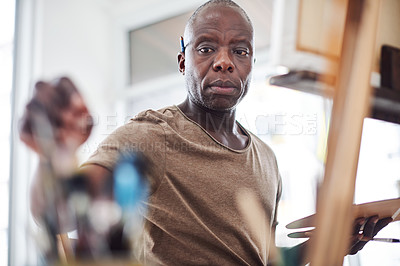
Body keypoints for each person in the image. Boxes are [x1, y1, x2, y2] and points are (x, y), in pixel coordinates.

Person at [20, 0, 392, 265]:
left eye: (240, 51)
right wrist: (57, 153)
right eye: (206, 48)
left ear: (251, 65)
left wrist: (329, 246)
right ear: (183, 61)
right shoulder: (151, 136)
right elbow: (61, 211)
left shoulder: (267, 157)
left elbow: (260, 257)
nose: (224, 61)